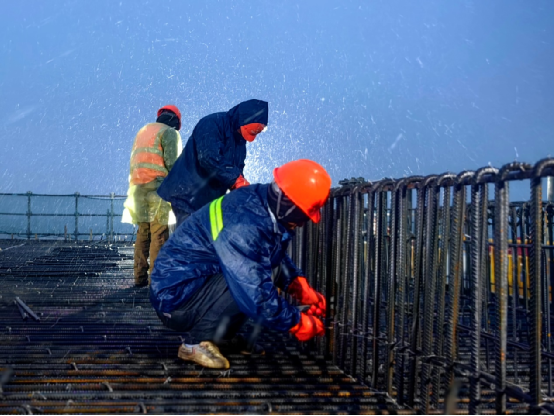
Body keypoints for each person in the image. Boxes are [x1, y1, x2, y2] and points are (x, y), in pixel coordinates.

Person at [150, 159, 331, 369]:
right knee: (247, 283)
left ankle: (221, 337)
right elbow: (255, 293)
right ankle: (195, 343)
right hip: (175, 299)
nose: (301, 223)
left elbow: (269, 254)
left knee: (255, 273)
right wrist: (296, 323)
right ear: (288, 206)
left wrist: (297, 285)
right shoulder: (243, 224)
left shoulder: (261, 203)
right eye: (303, 216)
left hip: (194, 283)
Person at [157, 99, 268, 227]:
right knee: (191, 234)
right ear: (243, 119)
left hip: (208, 198)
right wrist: (236, 180)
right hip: (188, 191)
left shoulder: (240, 142)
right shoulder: (212, 124)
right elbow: (208, 158)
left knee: (207, 234)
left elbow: (236, 170)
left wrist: (242, 192)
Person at [123, 105, 182, 287]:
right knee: (159, 234)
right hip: (157, 187)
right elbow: (172, 164)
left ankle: (139, 277)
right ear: (175, 121)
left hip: (137, 187)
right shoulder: (169, 132)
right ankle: (156, 281)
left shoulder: (144, 132)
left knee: (143, 232)